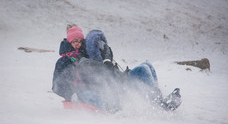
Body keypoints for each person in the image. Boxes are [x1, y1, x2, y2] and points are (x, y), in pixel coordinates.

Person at [52, 25, 181, 112]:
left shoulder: (90, 52)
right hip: (88, 92)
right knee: (96, 97)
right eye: (75, 42)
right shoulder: (64, 62)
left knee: (145, 67)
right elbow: (56, 86)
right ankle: (116, 109)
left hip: (114, 82)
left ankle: (159, 102)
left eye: (80, 41)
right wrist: (71, 94)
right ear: (69, 43)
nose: (78, 45)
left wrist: (108, 60)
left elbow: (106, 52)